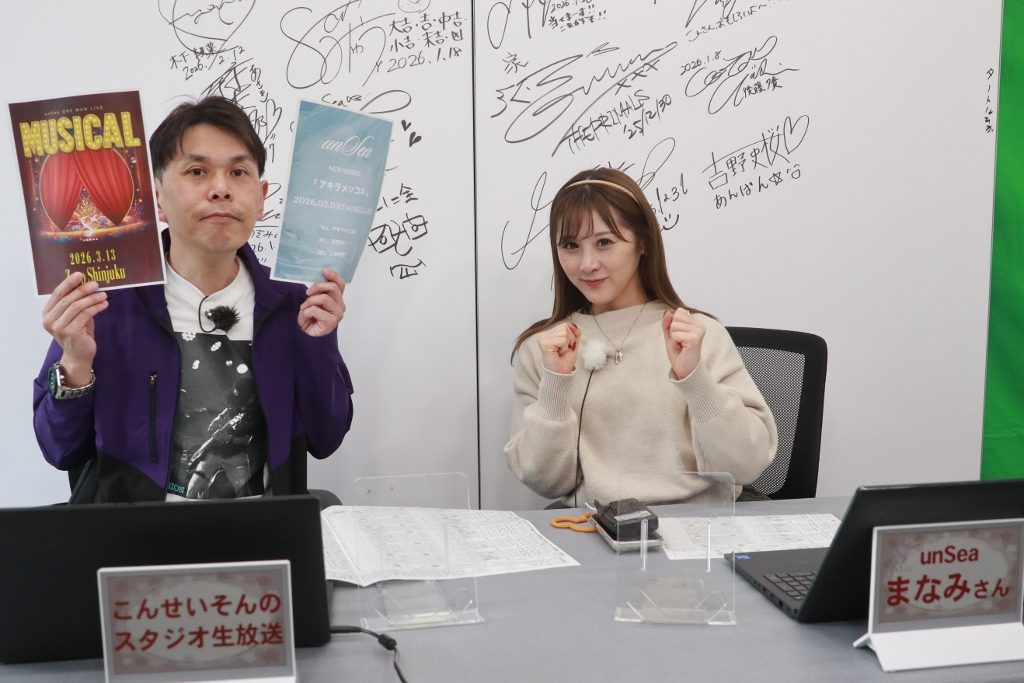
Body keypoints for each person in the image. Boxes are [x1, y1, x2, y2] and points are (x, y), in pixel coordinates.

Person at [33, 96, 354, 502]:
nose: (220, 189)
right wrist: (75, 363)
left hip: (263, 531)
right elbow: (60, 450)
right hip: (136, 533)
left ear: (260, 198)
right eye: (197, 171)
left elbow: (327, 438)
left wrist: (319, 344)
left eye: (238, 172)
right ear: (156, 200)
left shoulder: (294, 304)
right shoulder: (105, 305)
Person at [504, 168, 777, 507]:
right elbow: (545, 481)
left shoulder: (697, 335)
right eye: (571, 246)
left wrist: (695, 379)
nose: (587, 264)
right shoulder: (546, 349)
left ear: (643, 243)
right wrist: (556, 386)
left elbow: (746, 465)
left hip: (700, 529)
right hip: (595, 528)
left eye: (604, 242)